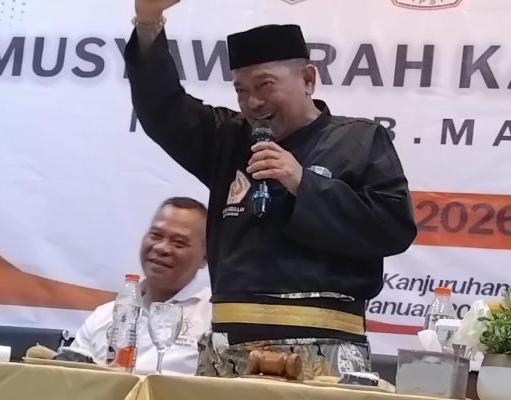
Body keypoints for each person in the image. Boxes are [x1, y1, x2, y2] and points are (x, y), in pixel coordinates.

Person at [124, 0, 417, 378]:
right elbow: (162, 107)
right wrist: (148, 22)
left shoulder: (360, 141)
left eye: (265, 85)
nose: (253, 102)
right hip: (229, 349)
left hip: (324, 349)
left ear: (308, 79)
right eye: (241, 90)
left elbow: (393, 229)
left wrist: (303, 183)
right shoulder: (228, 138)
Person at [57, 197, 212, 375]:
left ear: (205, 257)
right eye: (156, 235)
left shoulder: (213, 318)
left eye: (178, 243)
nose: (162, 248)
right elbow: (69, 380)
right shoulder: (104, 316)